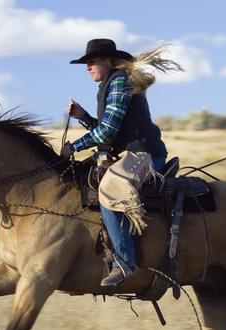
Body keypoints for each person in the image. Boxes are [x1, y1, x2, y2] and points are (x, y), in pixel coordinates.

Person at [61, 38, 181, 287]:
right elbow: (109, 131)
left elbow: (106, 134)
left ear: (108, 61)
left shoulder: (119, 83)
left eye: (91, 62)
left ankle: (125, 262)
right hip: (129, 154)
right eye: (86, 63)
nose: (88, 67)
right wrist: (83, 117)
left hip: (143, 155)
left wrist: (74, 147)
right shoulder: (109, 84)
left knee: (109, 188)